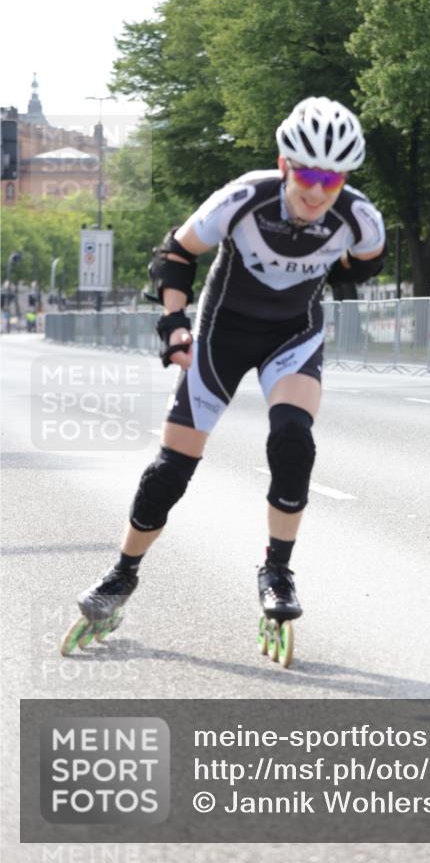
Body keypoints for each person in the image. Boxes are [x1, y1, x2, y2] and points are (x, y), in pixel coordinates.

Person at [74, 97, 386, 635]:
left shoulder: (359, 217)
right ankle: (122, 573)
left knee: (293, 442)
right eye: (307, 172)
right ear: (285, 163)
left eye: (331, 179)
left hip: (293, 335)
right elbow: (175, 252)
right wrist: (174, 325)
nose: (316, 190)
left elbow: (365, 264)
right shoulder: (244, 197)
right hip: (223, 337)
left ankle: (278, 572)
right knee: (171, 468)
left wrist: (334, 267)